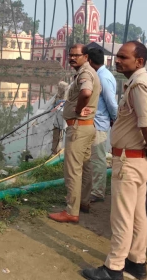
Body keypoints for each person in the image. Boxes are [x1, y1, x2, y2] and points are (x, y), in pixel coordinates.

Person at [82, 41, 147, 280]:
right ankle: (137, 263)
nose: (117, 60)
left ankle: (113, 268)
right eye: (118, 56)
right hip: (136, 159)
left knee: (122, 217)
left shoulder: (140, 85)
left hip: (130, 160)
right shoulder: (146, 82)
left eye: (124, 57)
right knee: (137, 216)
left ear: (139, 62)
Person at [48, 44, 101, 223]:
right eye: (70, 55)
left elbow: (86, 92)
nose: (72, 58)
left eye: (76, 55)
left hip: (78, 128)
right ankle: (83, 202)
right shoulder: (88, 72)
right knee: (86, 166)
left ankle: (71, 211)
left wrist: (78, 109)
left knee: (73, 170)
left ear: (86, 57)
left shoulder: (85, 73)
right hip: (87, 127)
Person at [82, 48, 118, 206]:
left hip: (100, 124)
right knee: (90, 158)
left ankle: (97, 192)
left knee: (98, 159)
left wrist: (114, 120)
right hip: (95, 122)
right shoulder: (100, 75)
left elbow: (112, 103)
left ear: (89, 61)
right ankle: (91, 189)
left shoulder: (103, 77)